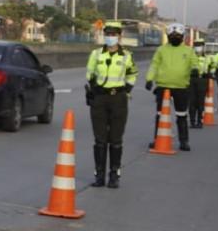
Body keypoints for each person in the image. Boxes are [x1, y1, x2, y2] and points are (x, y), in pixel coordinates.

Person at [85, 21, 138, 188]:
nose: (110, 37)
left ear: (119, 36)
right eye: (107, 34)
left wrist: (126, 91)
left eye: (114, 34)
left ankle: (114, 175)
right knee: (99, 140)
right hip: (99, 98)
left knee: (116, 139)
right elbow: (90, 73)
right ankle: (99, 175)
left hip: (118, 99)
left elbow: (132, 74)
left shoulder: (127, 56)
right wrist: (94, 88)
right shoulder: (96, 54)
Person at [145, 23, 197, 151]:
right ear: (168, 36)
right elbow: (154, 65)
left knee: (182, 115)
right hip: (163, 86)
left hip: (181, 87)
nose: (175, 37)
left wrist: (196, 69)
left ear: (182, 36)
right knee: (160, 115)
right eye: (172, 35)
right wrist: (149, 79)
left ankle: (184, 141)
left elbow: (194, 62)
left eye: (178, 35)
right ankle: (157, 139)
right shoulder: (161, 50)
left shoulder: (188, 50)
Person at [188, 38, 210, 128]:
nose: (198, 48)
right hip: (191, 81)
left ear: (203, 47)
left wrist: (209, 74)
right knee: (191, 103)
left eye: (200, 46)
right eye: (196, 46)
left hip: (202, 81)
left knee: (200, 103)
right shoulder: (189, 58)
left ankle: (200, 121)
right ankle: (192, 122)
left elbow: (212, 68)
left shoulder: (207, 58)